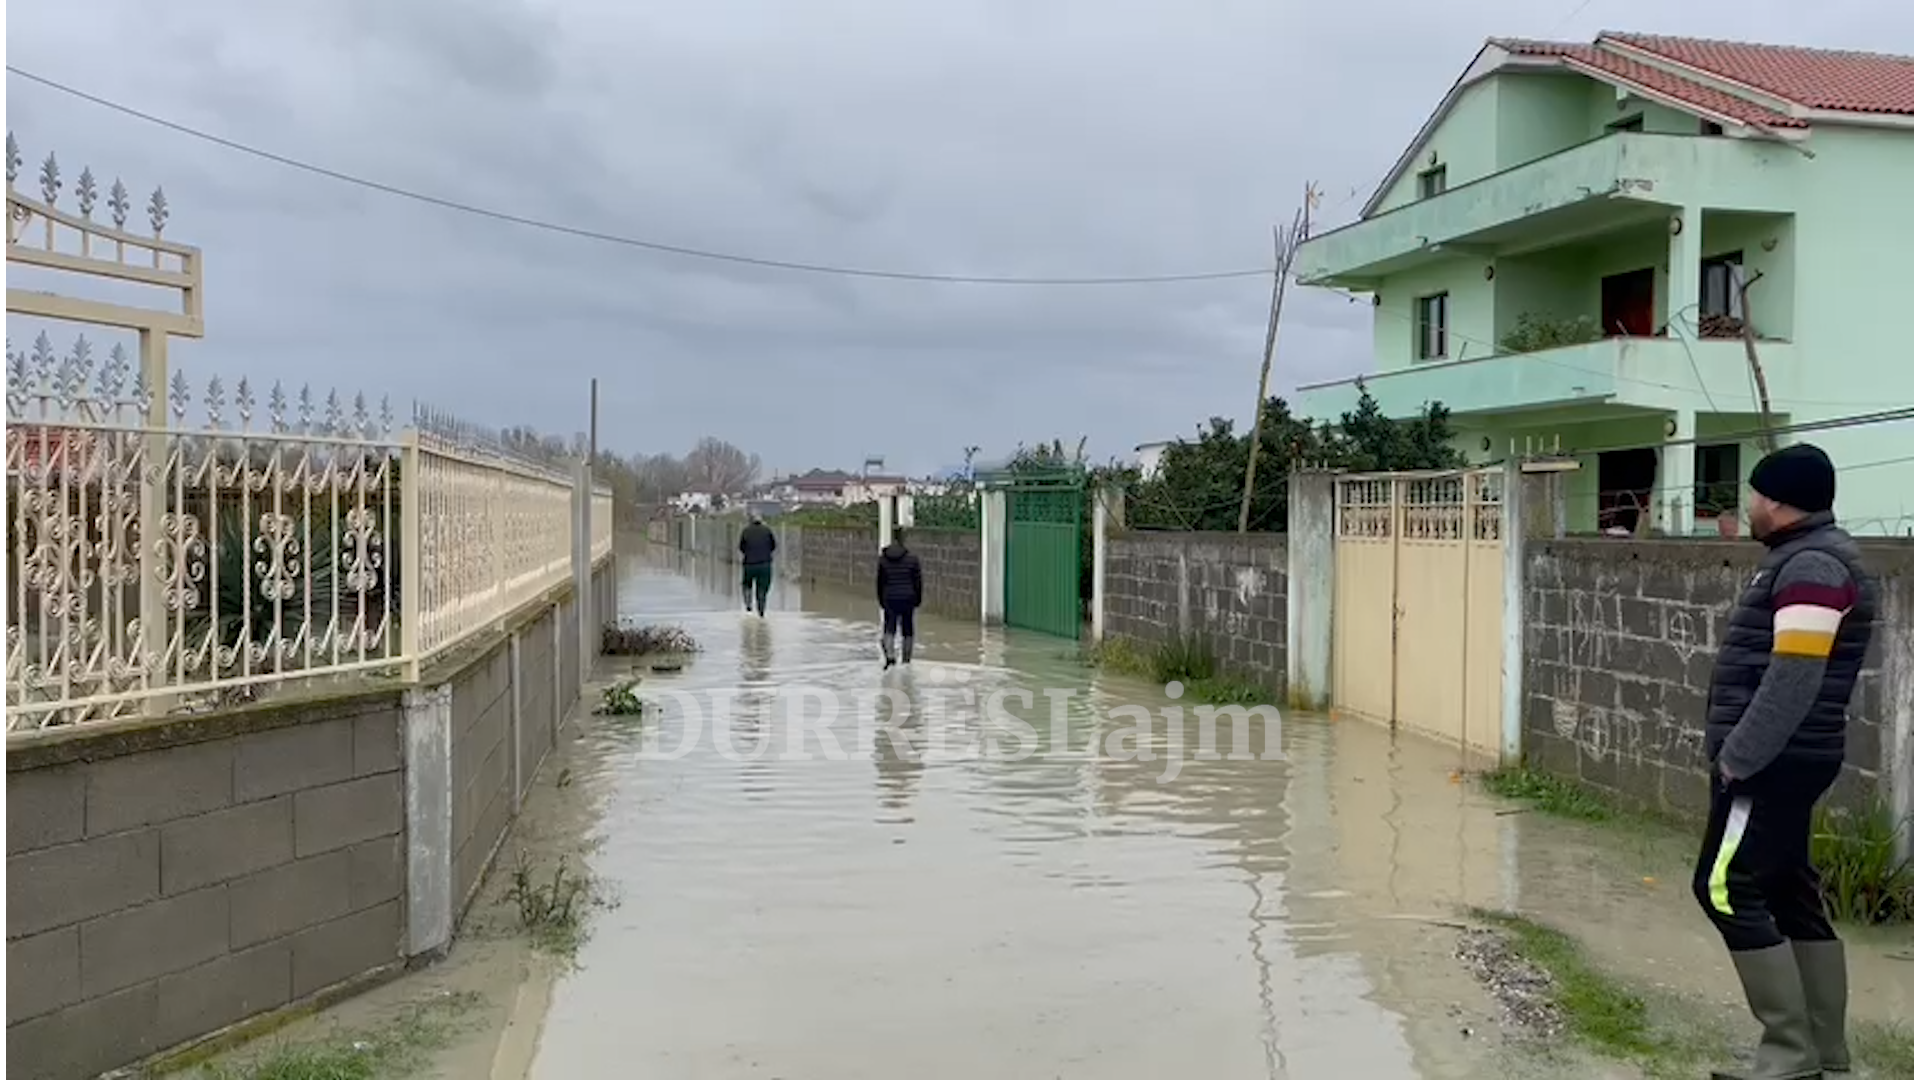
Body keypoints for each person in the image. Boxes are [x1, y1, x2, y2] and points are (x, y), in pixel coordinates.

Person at [1692, 444, 1876, 1080]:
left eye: (1754, 495)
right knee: (1788, 891)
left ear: (1774, 499)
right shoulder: (1803, 559)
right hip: (1791, 758)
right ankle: (1825, 1055)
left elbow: (1793, 677)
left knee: (1722, 887)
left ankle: (1790, 1055)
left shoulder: (1814, 566)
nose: (1749, 507)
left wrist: (1739, 758)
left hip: (1771, 762)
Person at [875, 528, 923, 668]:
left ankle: (890, 657)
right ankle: (906, 661)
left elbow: (880, 582)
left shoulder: (883, 560)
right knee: (907, 629)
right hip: (908, 598)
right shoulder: (913, 560)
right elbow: (918, 582)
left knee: (889, 628)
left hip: (890, 598)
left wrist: (881, 600)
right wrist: (917, 599)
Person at [737, 515, 777, 617]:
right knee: (762, 588)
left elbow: (741, 547)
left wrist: (749, 554)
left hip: (749, 564)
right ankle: (761, 610)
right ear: (762, 521)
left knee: (747, 584)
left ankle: (748, 605)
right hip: (765, 564)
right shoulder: (767, 530)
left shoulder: (746, 531)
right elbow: (773, 546)